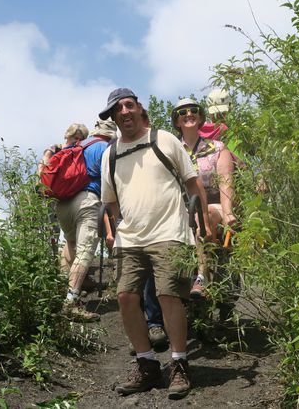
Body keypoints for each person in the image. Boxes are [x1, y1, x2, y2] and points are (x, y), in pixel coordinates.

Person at [99, 88, 212, 399]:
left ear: (139, 108)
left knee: (167, 295)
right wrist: (116, 230)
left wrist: (202, 224)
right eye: (117, 109)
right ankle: (147, 364)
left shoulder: (164, 139)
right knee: (125, 296)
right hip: (131, 236)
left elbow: (192, 183)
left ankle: (179, 363)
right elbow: (111, 202)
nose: (124, 112)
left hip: (169, 230)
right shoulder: (110, 154)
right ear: (112, 117)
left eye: (129, 105)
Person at [173, 98, 238, 299]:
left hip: (214, 204)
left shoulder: (218, 148)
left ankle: (201, 277)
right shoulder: (172, 151)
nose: (188, 114)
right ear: (177, 121)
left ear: (201, 117)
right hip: (183, 209)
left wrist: (228, 213)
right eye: (182, 112)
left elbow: (226, 182)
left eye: (193, 110)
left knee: (206, 214)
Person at [57, 120, 117, 322]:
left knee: (71, 243)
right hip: (88, 200)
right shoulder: (106, 148)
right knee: (85, 251)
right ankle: (71, 302)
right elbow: (111, 183)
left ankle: (64, 291)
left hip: (64, 203)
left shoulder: (77, 145)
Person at [38, 124, 89, 267]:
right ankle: (52, 262)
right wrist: (42, 185)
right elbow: (42, 165)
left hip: (70, 196)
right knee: (52, 229)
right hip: (52, 195)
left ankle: (66, 265)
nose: (76, 141)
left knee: (71, 234)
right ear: (68, 135)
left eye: (80, 139)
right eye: (75, 137)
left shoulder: (79, 152)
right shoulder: (56, 148)